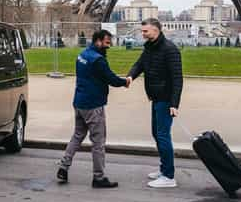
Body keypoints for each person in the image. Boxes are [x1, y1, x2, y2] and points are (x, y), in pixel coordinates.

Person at [56, 29, 130, 188]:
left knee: (77, 135)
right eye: (106, 42)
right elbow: (110, 78)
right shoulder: (98, 60)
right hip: (93, 105)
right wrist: (125, 82)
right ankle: (99, 177)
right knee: (98, 142)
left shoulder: (82, 55)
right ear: (98, 41)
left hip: (79, 102)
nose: (108, 46)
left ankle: (63, 167)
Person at [127, 18, 183, 189]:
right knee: (157, 134)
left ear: (156, 31)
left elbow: (177, 79)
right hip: (156, 98)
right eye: (142, 31)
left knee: (163, 135)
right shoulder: (150, 48)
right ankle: (164, 168)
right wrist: (130, 76)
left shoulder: (170, 49)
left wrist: (174, 104)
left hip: (165, 100)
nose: (142, 34)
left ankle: (168, 176)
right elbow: (140, 64)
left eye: (145, 31)